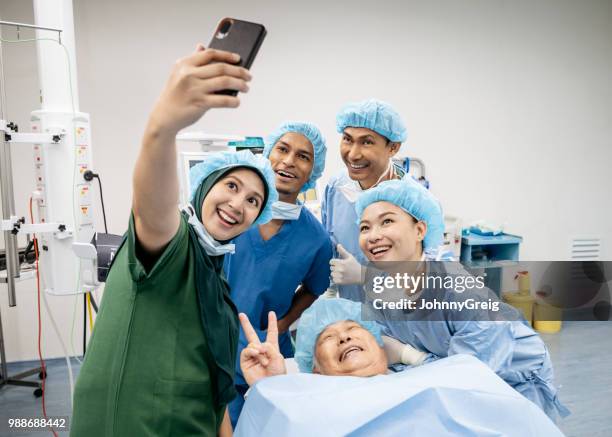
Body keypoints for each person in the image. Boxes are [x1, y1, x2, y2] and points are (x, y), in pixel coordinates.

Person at [70, 45, 278, 437]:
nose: (238, 204)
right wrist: (163, 127)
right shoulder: (173, 244)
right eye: (231, 186)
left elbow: (214, 383)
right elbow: (153, 206)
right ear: (203, 188)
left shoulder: (216, 280)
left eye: (253, 201)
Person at [354, 178, 570, 421]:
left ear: (420, 230)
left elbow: (470, 377)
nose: (373, 236)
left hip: (511, 376)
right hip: (448, 368)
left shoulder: (459, 291)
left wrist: (411, 356)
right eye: (364, 227)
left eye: (387, 221)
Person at [233, 299, 563, 437]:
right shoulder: (302, 400)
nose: (344, 335)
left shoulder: (445, 372)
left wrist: (410, 356)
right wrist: (271, 388)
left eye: (351, 328)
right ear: (315, 370)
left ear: (380, 345)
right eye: (329, 338)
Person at [223, 121, 333, 426]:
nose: (288, 161)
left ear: (313, 172)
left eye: (303, 156)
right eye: (282, 149)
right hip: (213, 343)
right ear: (267, 155)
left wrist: (283, 324)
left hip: (266, 349)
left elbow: (315, 287)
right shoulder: (231, 214)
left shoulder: (316, 239)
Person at [321, 99, 411, 302]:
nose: (353, 154)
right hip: (350, 318)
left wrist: (365, 276)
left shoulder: (414, 202)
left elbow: (429, 283)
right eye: (347, 139)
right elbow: (331, 247)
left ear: (393, 147)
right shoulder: (336, 187)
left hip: (398, 324)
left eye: (367, 142)